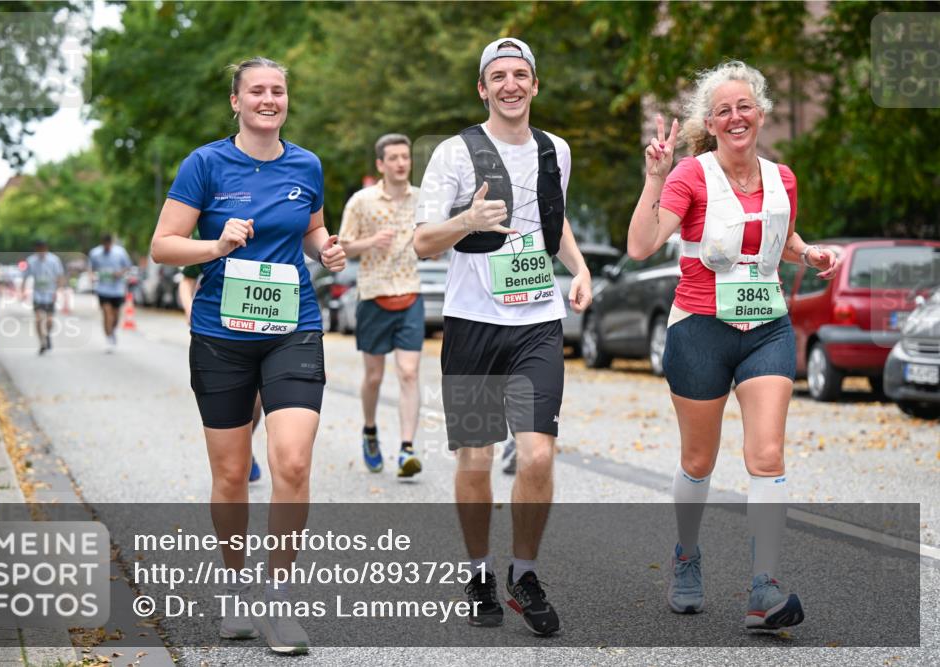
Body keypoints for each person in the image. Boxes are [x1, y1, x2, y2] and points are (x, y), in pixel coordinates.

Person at [626, 60, 838, 629]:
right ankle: (686, 556)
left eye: (744, 107)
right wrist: (655, 176)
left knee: (766, 455)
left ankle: (763, 589)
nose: (736, 116)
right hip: (699, 329)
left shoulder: (782, 177)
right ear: (712, 123)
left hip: (766, 327)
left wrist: (808, 252)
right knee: (698, 460)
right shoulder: (689, 177)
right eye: (724, 110)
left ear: (761, 114)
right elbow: (642, 245)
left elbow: (778, 234)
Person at [150, 56, 345, 655]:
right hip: (221, 334)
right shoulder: (205, 164)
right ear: (235, 101)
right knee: (232, 474)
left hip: (293, 327)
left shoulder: (306, 164)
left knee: (291, 462)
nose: (269, 99)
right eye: (256, 90)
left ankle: (278, 600)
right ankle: (236, 587)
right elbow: (162, 247)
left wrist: (327, 250)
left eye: (278, 90)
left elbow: (311, 231)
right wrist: (216, 242)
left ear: (288, 99)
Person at [413, 37, 592, 636]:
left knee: (538, 452)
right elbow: (422, 240)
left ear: (535, 85)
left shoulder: (555, 150)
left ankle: (526, 572)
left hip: (537, 322)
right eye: (499, 76)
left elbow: (551, 215)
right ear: (483, 88)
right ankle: (479, 570)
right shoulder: (455, 153)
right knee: (476, 457)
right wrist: (467, 219)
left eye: (521, 74)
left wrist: (579, 265)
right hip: (471, 324)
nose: (511, 84)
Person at [338, 133, 424, 478]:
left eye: (406, 157)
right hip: (373, 295)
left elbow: (434, 239)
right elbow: (342, 247)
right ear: (381, 164)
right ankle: (370, 431)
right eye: (394, 158)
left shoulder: (423, 200)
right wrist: (371, 241)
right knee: (374, 377)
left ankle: (406, 449)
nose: (401, 163)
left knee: (409, 372)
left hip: (410, 293)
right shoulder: (361, 201)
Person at [179, 262, 263, 484]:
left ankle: (245, 447)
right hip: (220, 332)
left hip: (265, 329)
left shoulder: (276, 229)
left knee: (256, 402)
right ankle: (241, 453)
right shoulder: (206, 230)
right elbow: (186, 280)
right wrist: (190, 309)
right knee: (233, 407)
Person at [89, 234, 133, 352]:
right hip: (103, 289)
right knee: (107, 313)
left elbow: (128, 266)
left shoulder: (120, 252)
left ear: (111, 243)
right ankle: (108, 338)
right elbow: (91, 268)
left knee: (115, 316)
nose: (107, 247)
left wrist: (120, 272)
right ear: (102, 243)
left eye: (109, 244)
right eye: (105, 245)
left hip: (117, 289)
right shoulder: (95, 253)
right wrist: (92, 276)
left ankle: (112, 331)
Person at [23, 240, 65, 355]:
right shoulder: (31, 261)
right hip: (38, 295)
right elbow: (25, 276)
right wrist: (22, 291)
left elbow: (60, 276)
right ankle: (42, 342)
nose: (41, 252)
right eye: (38, 249)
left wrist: (59, 289)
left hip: (50, 294)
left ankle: (47, 335)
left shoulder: (54, 260)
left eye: (43, 249)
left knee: (49, 321)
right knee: (38, 319)